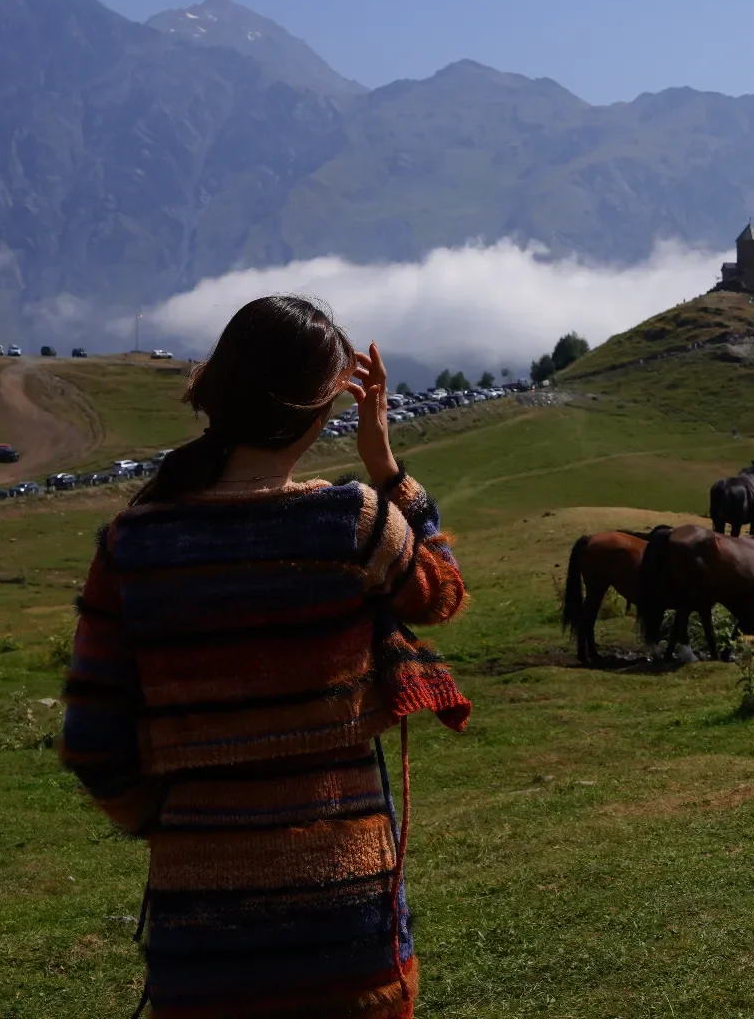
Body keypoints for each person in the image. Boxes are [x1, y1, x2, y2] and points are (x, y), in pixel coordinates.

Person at [59, 295, 470, 1018]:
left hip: (202, 940)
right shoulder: (356, 521)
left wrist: (179, 823)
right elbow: (440, 594)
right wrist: (386, 465)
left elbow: (94, 745)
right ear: (318, 413)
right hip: (346, 928)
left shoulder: (131, 544)